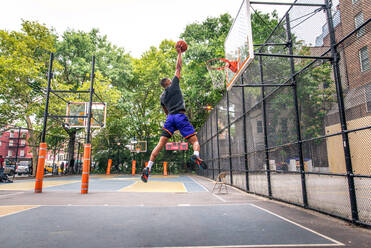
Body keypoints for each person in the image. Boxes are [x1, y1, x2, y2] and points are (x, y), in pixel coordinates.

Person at [141, 44, 207, 183]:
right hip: (180, 116)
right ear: (169, 82)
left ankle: (148, 167)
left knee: (160, 144)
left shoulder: (162, 97)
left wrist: (173, 124)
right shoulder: (174, 85)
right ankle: (195, 155)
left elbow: (165, 111)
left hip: (170, 118)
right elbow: (178, 67)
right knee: (195, 141)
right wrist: (179, 53)